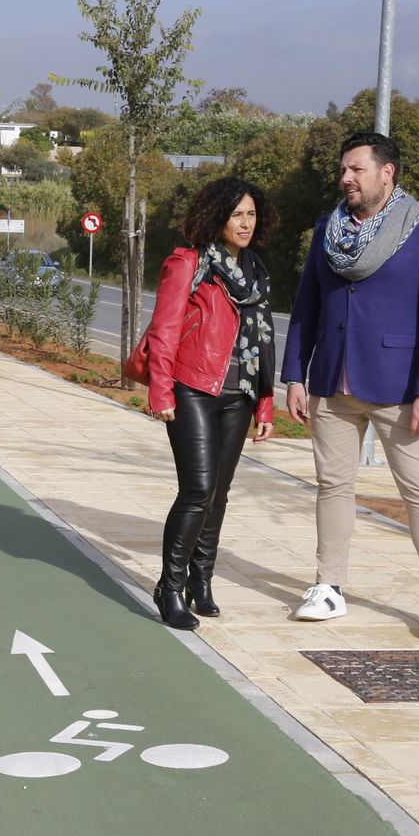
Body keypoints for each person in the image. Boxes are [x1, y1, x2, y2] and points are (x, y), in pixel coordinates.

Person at [281, 132, 419, 640]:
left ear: (387, 173)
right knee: (333, 486)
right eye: (343, 170)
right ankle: (329, 587)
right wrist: (295, 374)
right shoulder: (327, 229)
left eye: (356, 170)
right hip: (332, 384)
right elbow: (307, 306)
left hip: (400, 387)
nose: (346, 179)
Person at [141, 177, 277, 630]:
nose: (245, 223)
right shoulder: (189, 263)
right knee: (198, 489)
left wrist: (264, 404)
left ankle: (202, 580)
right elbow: (164, 330)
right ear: (217, 217)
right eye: (236, 214)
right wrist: (160, 391)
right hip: (192, 387)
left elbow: (262, 341)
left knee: (219, 492)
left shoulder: (255, 270)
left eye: (251, 214)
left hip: (239, 394)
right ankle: (170, 585)